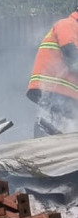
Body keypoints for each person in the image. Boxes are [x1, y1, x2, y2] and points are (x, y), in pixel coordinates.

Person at [27, 8, 78, 136]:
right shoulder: (68, 24)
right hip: (54, 87)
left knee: (61, 127)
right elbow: (71, 55)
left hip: (62, 91)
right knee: (56, 128)